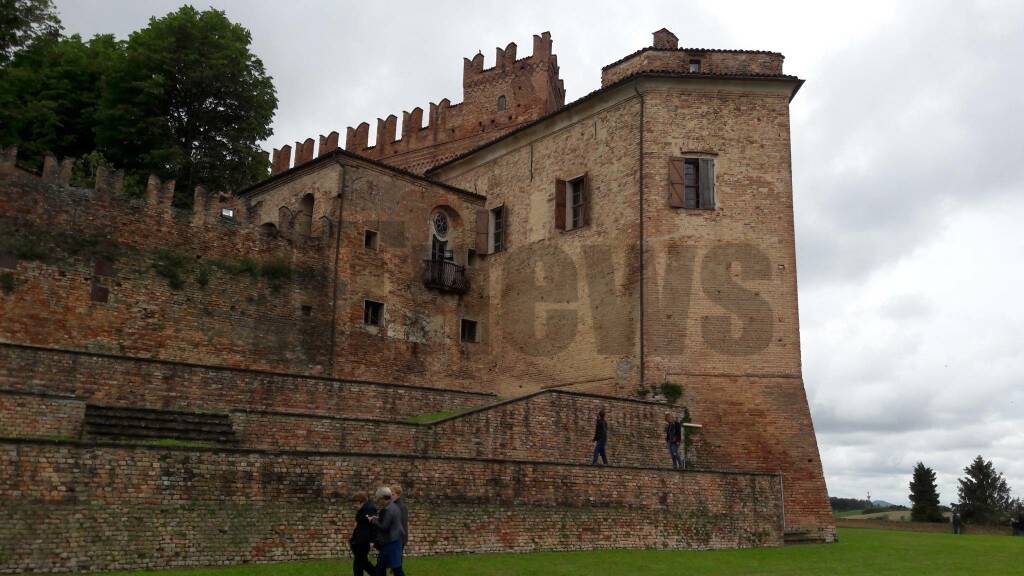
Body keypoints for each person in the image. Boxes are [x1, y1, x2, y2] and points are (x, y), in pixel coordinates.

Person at [369, 486, 406, 576]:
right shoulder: (394, 506)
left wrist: (373, 520)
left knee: (395, 568)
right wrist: (378, 519)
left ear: (383, 498)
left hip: (391, 542)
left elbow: (384, 527)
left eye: (378, 499)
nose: (378, 501)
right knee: (382, 567)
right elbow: (390, 522)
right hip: (394, 540)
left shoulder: (388, 509)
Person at [349, 491, 377, 576]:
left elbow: (374, 525)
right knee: (363, 562)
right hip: (358, 540)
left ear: (360, 501)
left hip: (364, 540)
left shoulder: (370, 508)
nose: (354, 505)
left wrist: (372, 540)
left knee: (358, 564)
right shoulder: (362, 509)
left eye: (355, 503)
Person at [391, 485, 409, 550]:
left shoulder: (401, 507)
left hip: (399, 537)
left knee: (396, 558)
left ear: (398, 495)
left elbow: (402, 523)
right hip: (395, 537)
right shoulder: (394, 505)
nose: (391, 496)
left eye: (393, 494)